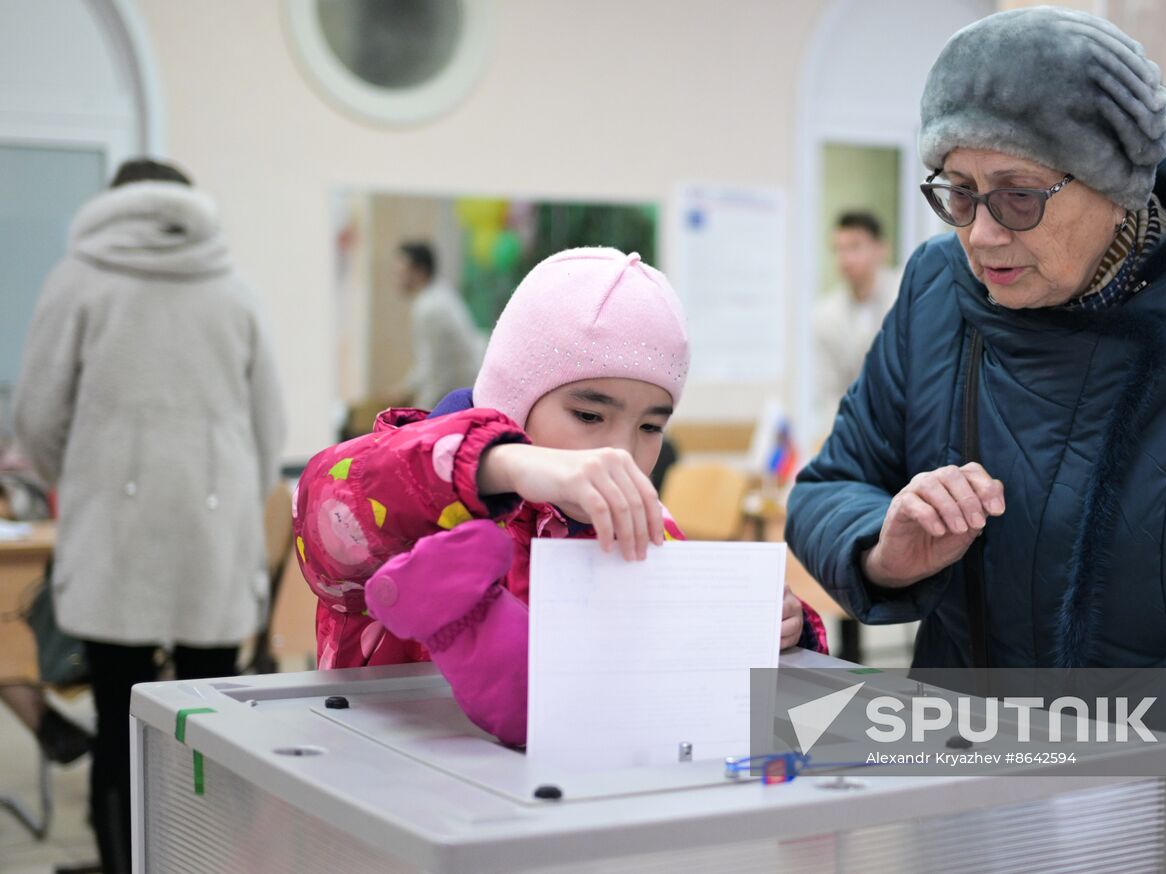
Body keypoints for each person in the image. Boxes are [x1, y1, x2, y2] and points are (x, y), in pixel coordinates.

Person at [785, 8, 1166, 870]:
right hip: (963, 818)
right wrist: (885, 549)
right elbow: (827, 487)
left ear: (1117, 183)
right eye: (955, 191)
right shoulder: (934, 296)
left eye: (1018, 194)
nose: (981, 233)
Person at [295, 248, 827, 745]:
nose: (620, 451)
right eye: (590, 416)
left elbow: (692, 691)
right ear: (513, 396)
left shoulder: (646, 524)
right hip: (384, 794)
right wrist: (506, 461)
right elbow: (326, 506)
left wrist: (779, 631)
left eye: (649, 427)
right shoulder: (415, 494)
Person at [13, 158, 286, 873]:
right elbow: (269, 432)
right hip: (213, 546)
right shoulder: (235, 288)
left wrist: (86, 480)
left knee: (118, 724)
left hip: (113, 544)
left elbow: (36, 421)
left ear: (114, 205)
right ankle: (197, 861)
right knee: (206, 727)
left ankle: (123, 864)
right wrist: (225, 504)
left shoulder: (78, 280)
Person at [813, 211, 899, 428]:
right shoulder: (826, 315)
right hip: (857, 431)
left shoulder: (905, 295)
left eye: (854, 247)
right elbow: (831, 392)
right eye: (838, 249)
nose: (845, 259)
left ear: (881, 249)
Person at [394, 240, 486, 410]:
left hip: (465, 395)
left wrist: (418, 417)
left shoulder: (430, 309)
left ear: (419, 272)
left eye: (402, 271)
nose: (397, 277)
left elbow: (437, 375)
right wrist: (405, 389)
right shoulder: (439, 294)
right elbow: (426, 365)